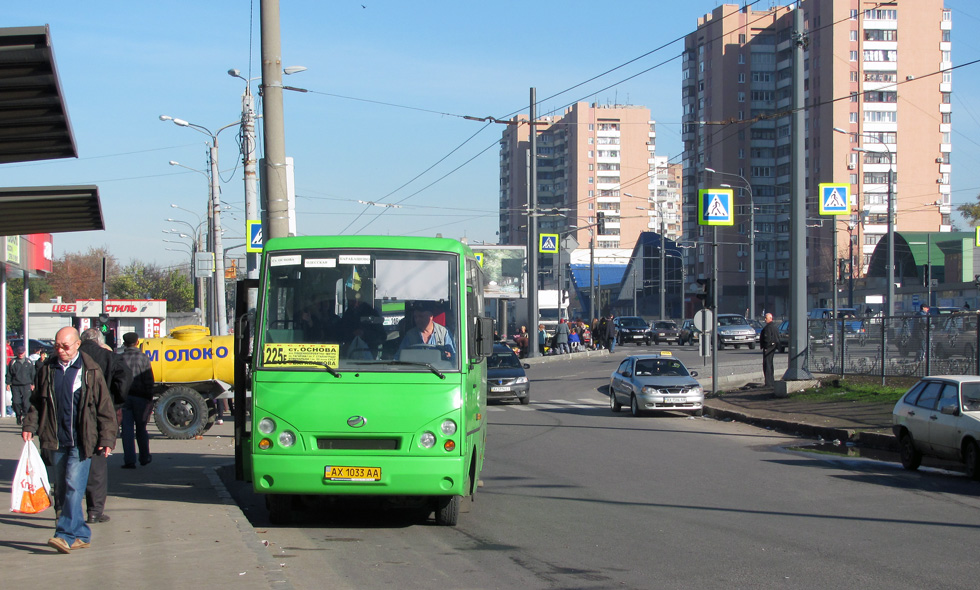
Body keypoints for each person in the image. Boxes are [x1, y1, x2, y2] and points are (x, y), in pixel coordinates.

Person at [22, 326, 116, 554]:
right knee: (62, 489)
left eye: (65, 346)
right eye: (57, 346)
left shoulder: (90, 370)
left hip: (82, 441)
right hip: (55, 439)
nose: (60, 350)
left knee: (74, 486)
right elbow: (37, 402)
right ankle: (81, 534)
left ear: (76, 345)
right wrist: (29, 425)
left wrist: (107, 438)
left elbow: (105, 407)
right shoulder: (47, 369)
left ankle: (64, 534)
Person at [78, 328, 131, 525]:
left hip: (75, 414)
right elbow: (125, 378)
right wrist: (115, 400)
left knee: (70, 463)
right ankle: (94, 511)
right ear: (100, 341)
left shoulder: (75, 356)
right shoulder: (109, 357)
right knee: (97, 464)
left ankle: (66, 511)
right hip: (102, 413)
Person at [118, 332, 155, 469]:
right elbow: (149, 379)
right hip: (141, 397)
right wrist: (150, 397)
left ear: (124, 343)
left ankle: (129, 460)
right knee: (141, 428)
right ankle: (144, 457)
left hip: (125, 398)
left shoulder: (120, 358)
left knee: (127, 429)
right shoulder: (143, 358)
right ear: (137, 342)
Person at [6, 345, 36, 425]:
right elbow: (9, 374)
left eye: (22, 353)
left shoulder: (29, 362)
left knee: (26, 403)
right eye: (19, 353)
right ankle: (18, 415)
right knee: (16, 402)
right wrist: (8, 383)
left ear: (25, 352)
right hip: (15, 385)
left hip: (26, 385)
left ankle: (25, 418)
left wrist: (33, 383)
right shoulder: (13, 362)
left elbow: (32, 374)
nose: (20, 354)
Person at [760, 313, 780, 388]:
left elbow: (767, 338)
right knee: (770, 364)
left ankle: (768, 383)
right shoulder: (775, 327)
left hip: (768, 348)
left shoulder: (768, 328)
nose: (765, 319)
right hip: (773, 348)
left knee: (767, 365)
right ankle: (771, 381)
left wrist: (766, 347)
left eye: (766, 318)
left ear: (770, 318)